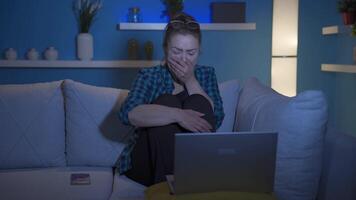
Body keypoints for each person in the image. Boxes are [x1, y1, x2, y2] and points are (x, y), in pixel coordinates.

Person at [117, 12, 224, 187]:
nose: (183, 59)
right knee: (167, 101)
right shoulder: (150, 75)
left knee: (198, 101)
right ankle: (168, 189)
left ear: (199, 51)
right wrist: (178, 115)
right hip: (148, 161)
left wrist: (190, 80)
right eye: (176, 51)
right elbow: (128, 114)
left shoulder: (206, 74)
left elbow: (216, 117)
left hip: (193, 162)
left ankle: (189, 182)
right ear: (166, 48)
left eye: (191, 53)